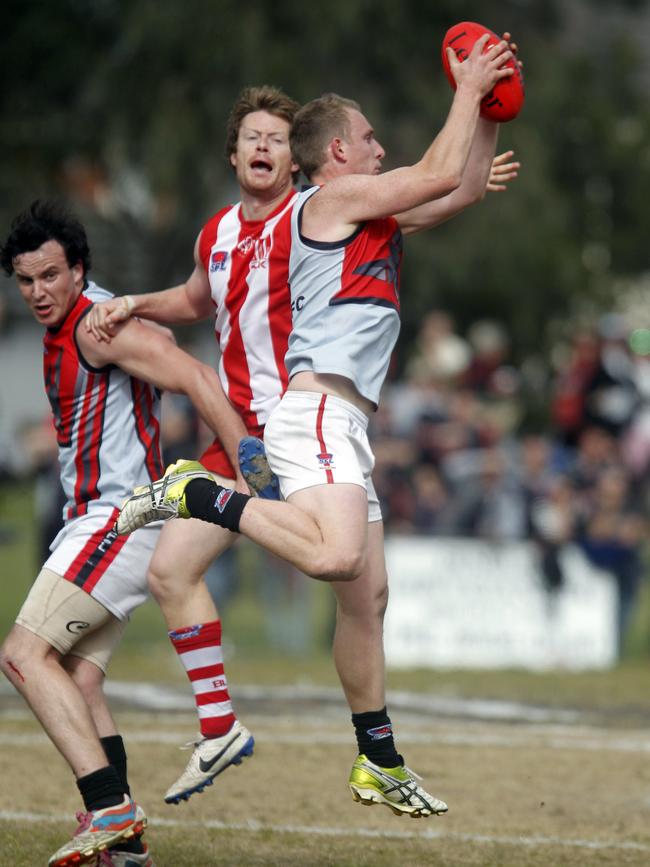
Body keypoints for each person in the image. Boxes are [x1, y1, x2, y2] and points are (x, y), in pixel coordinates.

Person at [91, 41, 519, 817]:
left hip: (338, 418)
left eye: (274, 136)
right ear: (338, 154)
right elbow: (429, 174)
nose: (381, 149)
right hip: (310, 409)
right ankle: (199, 494)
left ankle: (377, 757)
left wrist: (489, 113)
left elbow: (448, 188)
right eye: (370, 140)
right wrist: (466, 89)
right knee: (336, 556)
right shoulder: (326, 203)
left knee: (369, 596)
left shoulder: (350, 211)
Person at [0, 200, 254, 866]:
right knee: (79, 678)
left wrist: (250, 469)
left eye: (50, 275)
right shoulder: (90, 320)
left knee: (23, 655)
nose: (38, 292)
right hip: (102, 517)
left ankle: (109, 807)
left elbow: (196, 375)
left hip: (118, 516)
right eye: (26, 280)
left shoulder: (96, 326)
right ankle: (129, 847)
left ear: (79, 269)